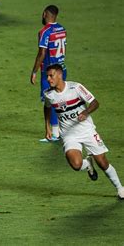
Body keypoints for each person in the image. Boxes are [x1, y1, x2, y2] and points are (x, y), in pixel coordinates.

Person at [43, 64, 124, 199]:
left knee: (103, 162)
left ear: (60, 75)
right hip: (69, 135)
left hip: (87, 131)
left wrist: (86, 112)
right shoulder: (49, 94)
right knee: (76, 165)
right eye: (47, 76)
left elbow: (95, 103)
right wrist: (47, 127)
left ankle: (120, 188)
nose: (48, 79)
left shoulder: (76, 88)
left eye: (51, 75)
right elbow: (46, 108)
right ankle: (88, 164)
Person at [30, 5, 67, 142]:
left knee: (49, 102)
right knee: (59, 99)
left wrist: (34, 71)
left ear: (45, 14)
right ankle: (58, 132)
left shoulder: (45, 31)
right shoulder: (62, 29)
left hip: (50, 71)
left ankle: (54, 134)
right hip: (62, 68)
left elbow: (42, 53)